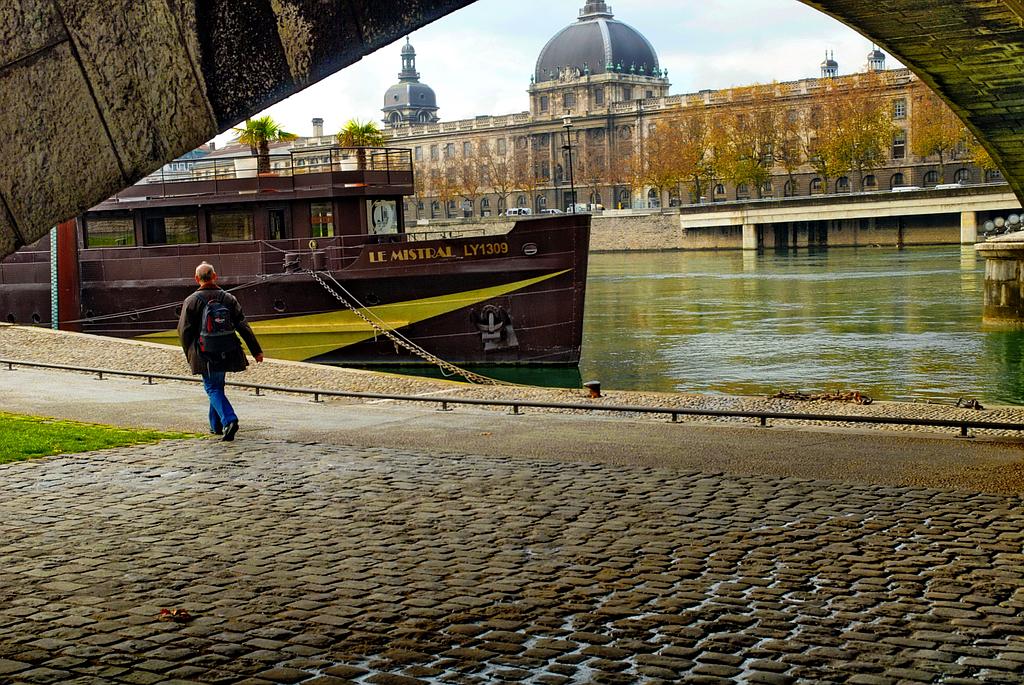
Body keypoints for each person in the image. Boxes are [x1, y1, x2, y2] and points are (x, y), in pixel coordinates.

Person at [177, 262, 263, 441]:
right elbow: (242, 325)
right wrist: (256, 351)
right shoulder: (228, 299)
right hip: (226, 350)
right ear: (215, 277)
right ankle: (215, 426)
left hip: (204, 352)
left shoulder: (192, 301)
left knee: (212, 387)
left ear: (196, 279)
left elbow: (184, 330)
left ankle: (229, 420)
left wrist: (189, 354)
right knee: (217, 386)